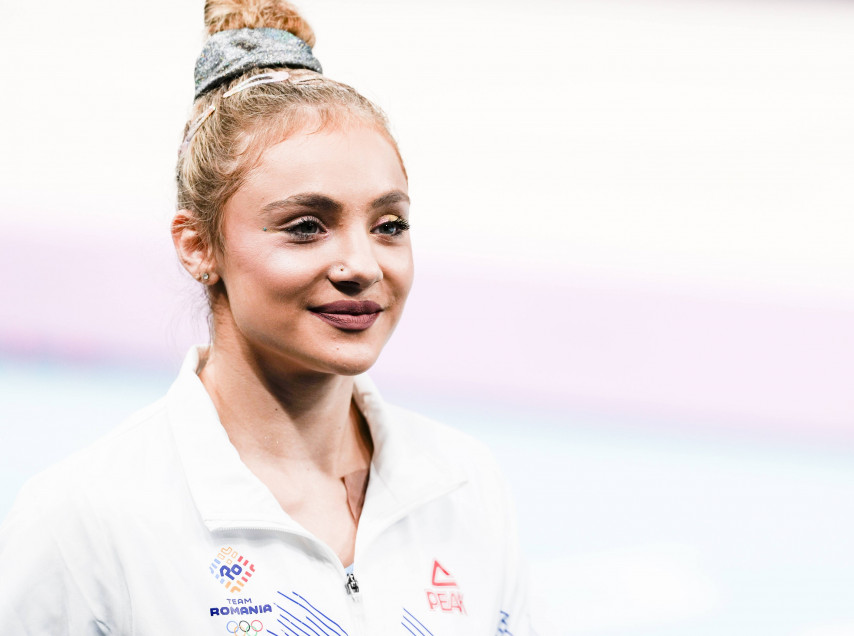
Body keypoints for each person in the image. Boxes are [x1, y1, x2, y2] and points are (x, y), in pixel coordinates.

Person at [0, 1, 542, 634]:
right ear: (198, 245)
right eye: (307, 227)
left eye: (388, 225)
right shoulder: (84, 521)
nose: (362, 264)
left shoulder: (464, 485)